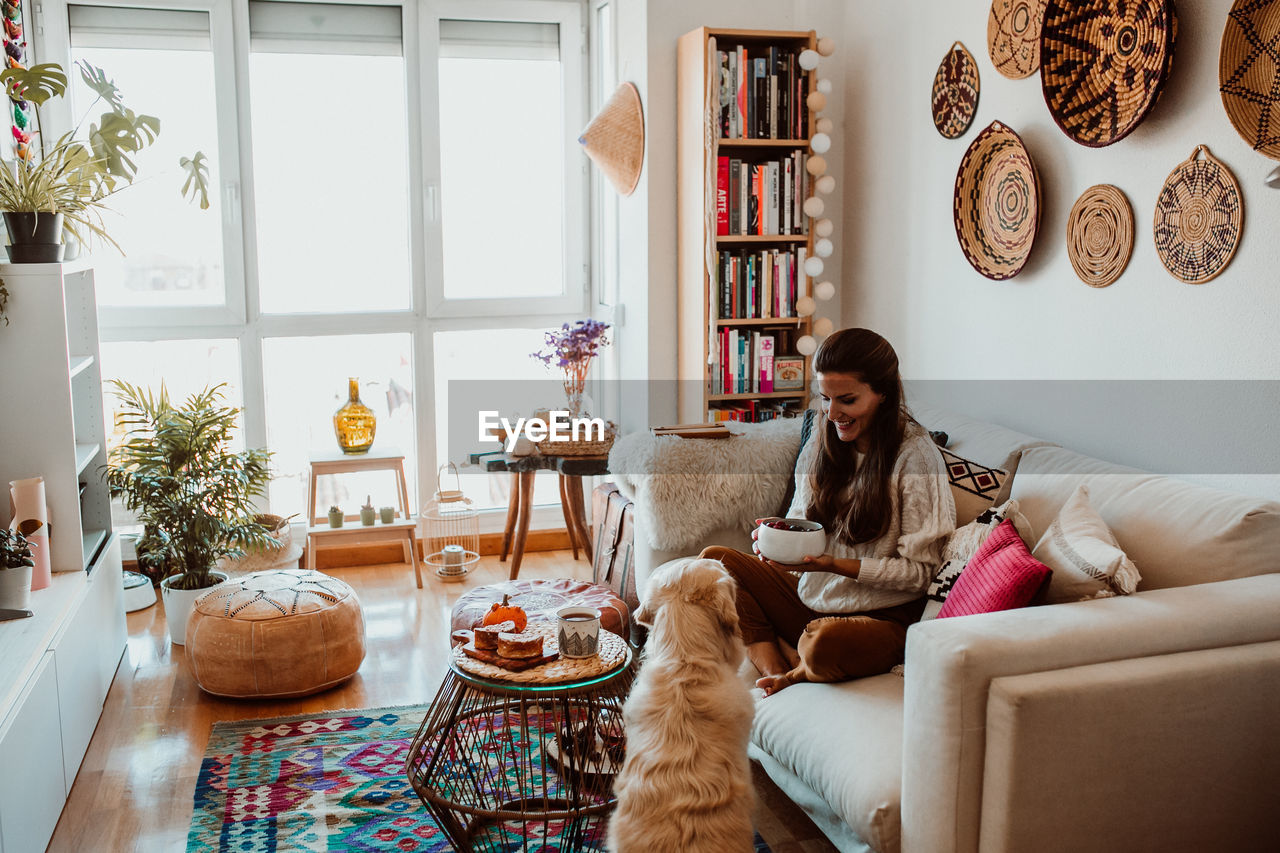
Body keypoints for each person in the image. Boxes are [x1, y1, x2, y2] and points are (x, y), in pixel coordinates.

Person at [700, 328, 955, 696]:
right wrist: (778, 539)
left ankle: (796, 669)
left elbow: (921, 573)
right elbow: (802, 517)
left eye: (847, 400)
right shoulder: (824, 438)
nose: (833, 413)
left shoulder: (915, 456)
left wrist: (833, 564)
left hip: (882, 618)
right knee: (714, 564)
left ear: (882, 393)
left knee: (824, 644)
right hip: (817, 597)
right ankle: (776, 668)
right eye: (825, 398)